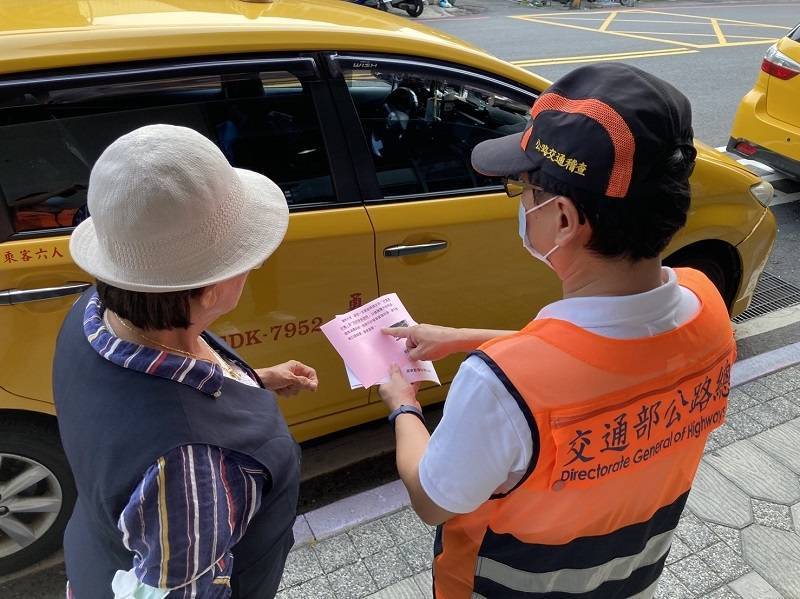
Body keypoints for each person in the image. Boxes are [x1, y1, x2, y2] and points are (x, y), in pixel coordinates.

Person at [377, 62, 736, 598]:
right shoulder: (705, 302)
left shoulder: (498, 385)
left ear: (564, 219)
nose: (521, 205)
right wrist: (464, 337)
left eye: (522, 190)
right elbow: (606, 361)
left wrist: (403, 405)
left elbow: (433, 500)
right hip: (632, 578)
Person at [54, 124, 318, 599]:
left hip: (93, 556)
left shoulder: (94, 312)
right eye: (246, 256)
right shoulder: (192, 465)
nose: (253, 267)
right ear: (212, 288)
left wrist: (255, 381)